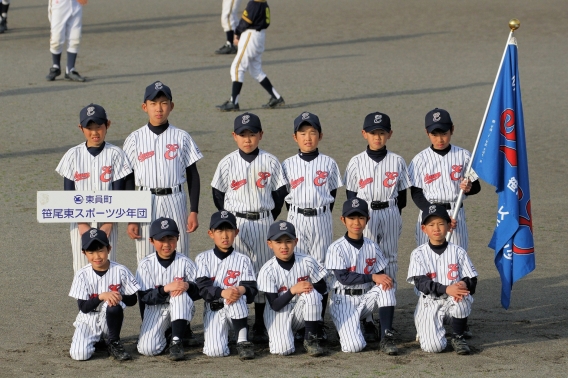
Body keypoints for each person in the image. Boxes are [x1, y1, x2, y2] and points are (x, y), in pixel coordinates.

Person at [211, 112, 287, 342]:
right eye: (242, 134)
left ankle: (261, 325)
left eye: (252, 134)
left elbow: (280, 191)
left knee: (264, 273)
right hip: (237, 225)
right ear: (234, 136)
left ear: (260, 135)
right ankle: (240, 324)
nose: (247, 139)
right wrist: (230, 221)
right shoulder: (227, 162)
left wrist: (268, 215)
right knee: (239, 274)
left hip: (264, 221)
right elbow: (218, 193)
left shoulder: (271, 161)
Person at [123, 81, 203, 262]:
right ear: (145, 107)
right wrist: (131, 216)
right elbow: (128, 178)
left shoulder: (182, 137)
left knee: (180, 253)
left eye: (163, 103)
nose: (158, 108)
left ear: (171, 106)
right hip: (144, 200)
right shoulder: (134, 139)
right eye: (153, 103)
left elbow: (193, 175)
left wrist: (194, 211)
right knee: (145, 255)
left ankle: (181, 290)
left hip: (175, 198)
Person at [281, 111, 342, 339]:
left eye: (312, 132)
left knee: (321, 270)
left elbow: (333, 195)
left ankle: (317, 324)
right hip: (296, 219)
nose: (308, 137)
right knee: (296, 269)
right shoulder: (286, 165)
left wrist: (321, 213)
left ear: (320, 135)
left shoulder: (329, 163)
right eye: (303, 133)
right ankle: (298, 322)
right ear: (294, 137)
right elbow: (282, 195)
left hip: (321, 219)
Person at [55, 103, 132, 273]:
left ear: (108, 125)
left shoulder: (116, 154)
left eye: (99, 126)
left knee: (108, 266)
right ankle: (84, 301)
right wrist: (81, 223)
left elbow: (119, 191)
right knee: (82, 269)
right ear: (80, 128)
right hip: (79, 222)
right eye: (89, 128)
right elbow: (69, 194)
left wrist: (109, 223)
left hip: (108, 221)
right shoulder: (72, 155)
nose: (94, 132)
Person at [325, 198, 398, 355]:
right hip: (343, 302)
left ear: (367, 220)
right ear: (343, 220)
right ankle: (347, 328)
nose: (356, 222)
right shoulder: (336, 248)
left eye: (360, 217)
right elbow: (343, 278)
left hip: (365, 300)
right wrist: (372, 277)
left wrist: (379, 279)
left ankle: (386, 336)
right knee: (354, 347)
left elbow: (380, 277)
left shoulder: (372, 246)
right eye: (351, 218)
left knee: (386, 287)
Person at [407, 204, 478, 355]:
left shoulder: (458, 251)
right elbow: (421, 283)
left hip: (453, 300)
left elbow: (472, 279)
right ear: (424, 229)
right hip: (429, 302)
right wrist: (446, 289)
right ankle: (423, 322)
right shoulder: (418, 253)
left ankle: (458, 336)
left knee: (463, 295)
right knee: (434, 348)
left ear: (449, 226)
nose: (436, 228)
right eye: (431, 224)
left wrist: (464, 283)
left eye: (441, 224)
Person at [408, 108, 481, 251]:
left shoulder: (464, 155)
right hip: (429, 213)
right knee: (428, 259)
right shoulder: (419, 160)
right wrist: (434, 214)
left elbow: (477, 186)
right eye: (434, 134)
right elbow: (416, 193)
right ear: (427, 133)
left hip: (455, 213)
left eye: (444, 133)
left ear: (452, 129)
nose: (440, 139)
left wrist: (469, 188)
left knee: (457, 257)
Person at [258, 220, 328, 356]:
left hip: (301, 309)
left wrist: (308, 287)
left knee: (311, 293)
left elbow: (323, 287)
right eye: (278, 242)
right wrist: (293, 290)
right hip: (277, 313)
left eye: (288, 241)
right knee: (283, 350)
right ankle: (282, 333)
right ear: (270, 244)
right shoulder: (267, 270)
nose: (284, 246)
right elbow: (275, 305)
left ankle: (310, 338)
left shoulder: (307, 260)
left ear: (296, 241)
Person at [68, 228, 140, 361]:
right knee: (79, 355)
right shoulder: (81, 274)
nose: (97, 256)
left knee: (111, 303)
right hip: (87, 320)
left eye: (101, 250)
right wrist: (101, 296)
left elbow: (133, 299)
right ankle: (98, 342)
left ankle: (113, 342)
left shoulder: (120, 270)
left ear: (109, 249)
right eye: (91, 252)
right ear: (84, 253)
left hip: (110, 320)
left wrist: (119, 297)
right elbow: (83, 308)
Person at [195, 211, 258, 360]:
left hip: (236, 306)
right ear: (211, 233)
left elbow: (251, 288)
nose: (225, 235)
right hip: (214, 310)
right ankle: (225, 336)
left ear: (236, 232)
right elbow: (203, 288)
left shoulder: (243, 259)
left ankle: (242, 340)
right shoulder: (203, 258)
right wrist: (223, 292)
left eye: (229, 230)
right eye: (220, 230)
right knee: (215, 352)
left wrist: (239, 289)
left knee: (236, 295)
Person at [136, 218, 200, 361]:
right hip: (155, 310)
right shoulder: (145, 265)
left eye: (170, 238)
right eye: (161, 239)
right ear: (151, 241)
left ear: (177, 238)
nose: (166, 244)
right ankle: (168, 333)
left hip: (180, 307)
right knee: (147, 349)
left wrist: (188, 286)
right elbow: (144, 297)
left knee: (179, 293)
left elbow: (199, 292)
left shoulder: (185, 262)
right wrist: (165, 289)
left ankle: (177, 341)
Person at [216, 0, 285, 111]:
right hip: (260, 36)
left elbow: (245, 21)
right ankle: (276, 97)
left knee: (237, 68)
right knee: (256, 71)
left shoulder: (254, 3)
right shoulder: (263, 3)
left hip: (251, 36)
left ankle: (233, 102)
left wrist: (237, 33)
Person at [46, 0, 89, 82]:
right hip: (59, 4)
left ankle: (70, 69)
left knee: (75, 37)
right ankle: (56, 67)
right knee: (57, 38)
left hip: (76, 3)